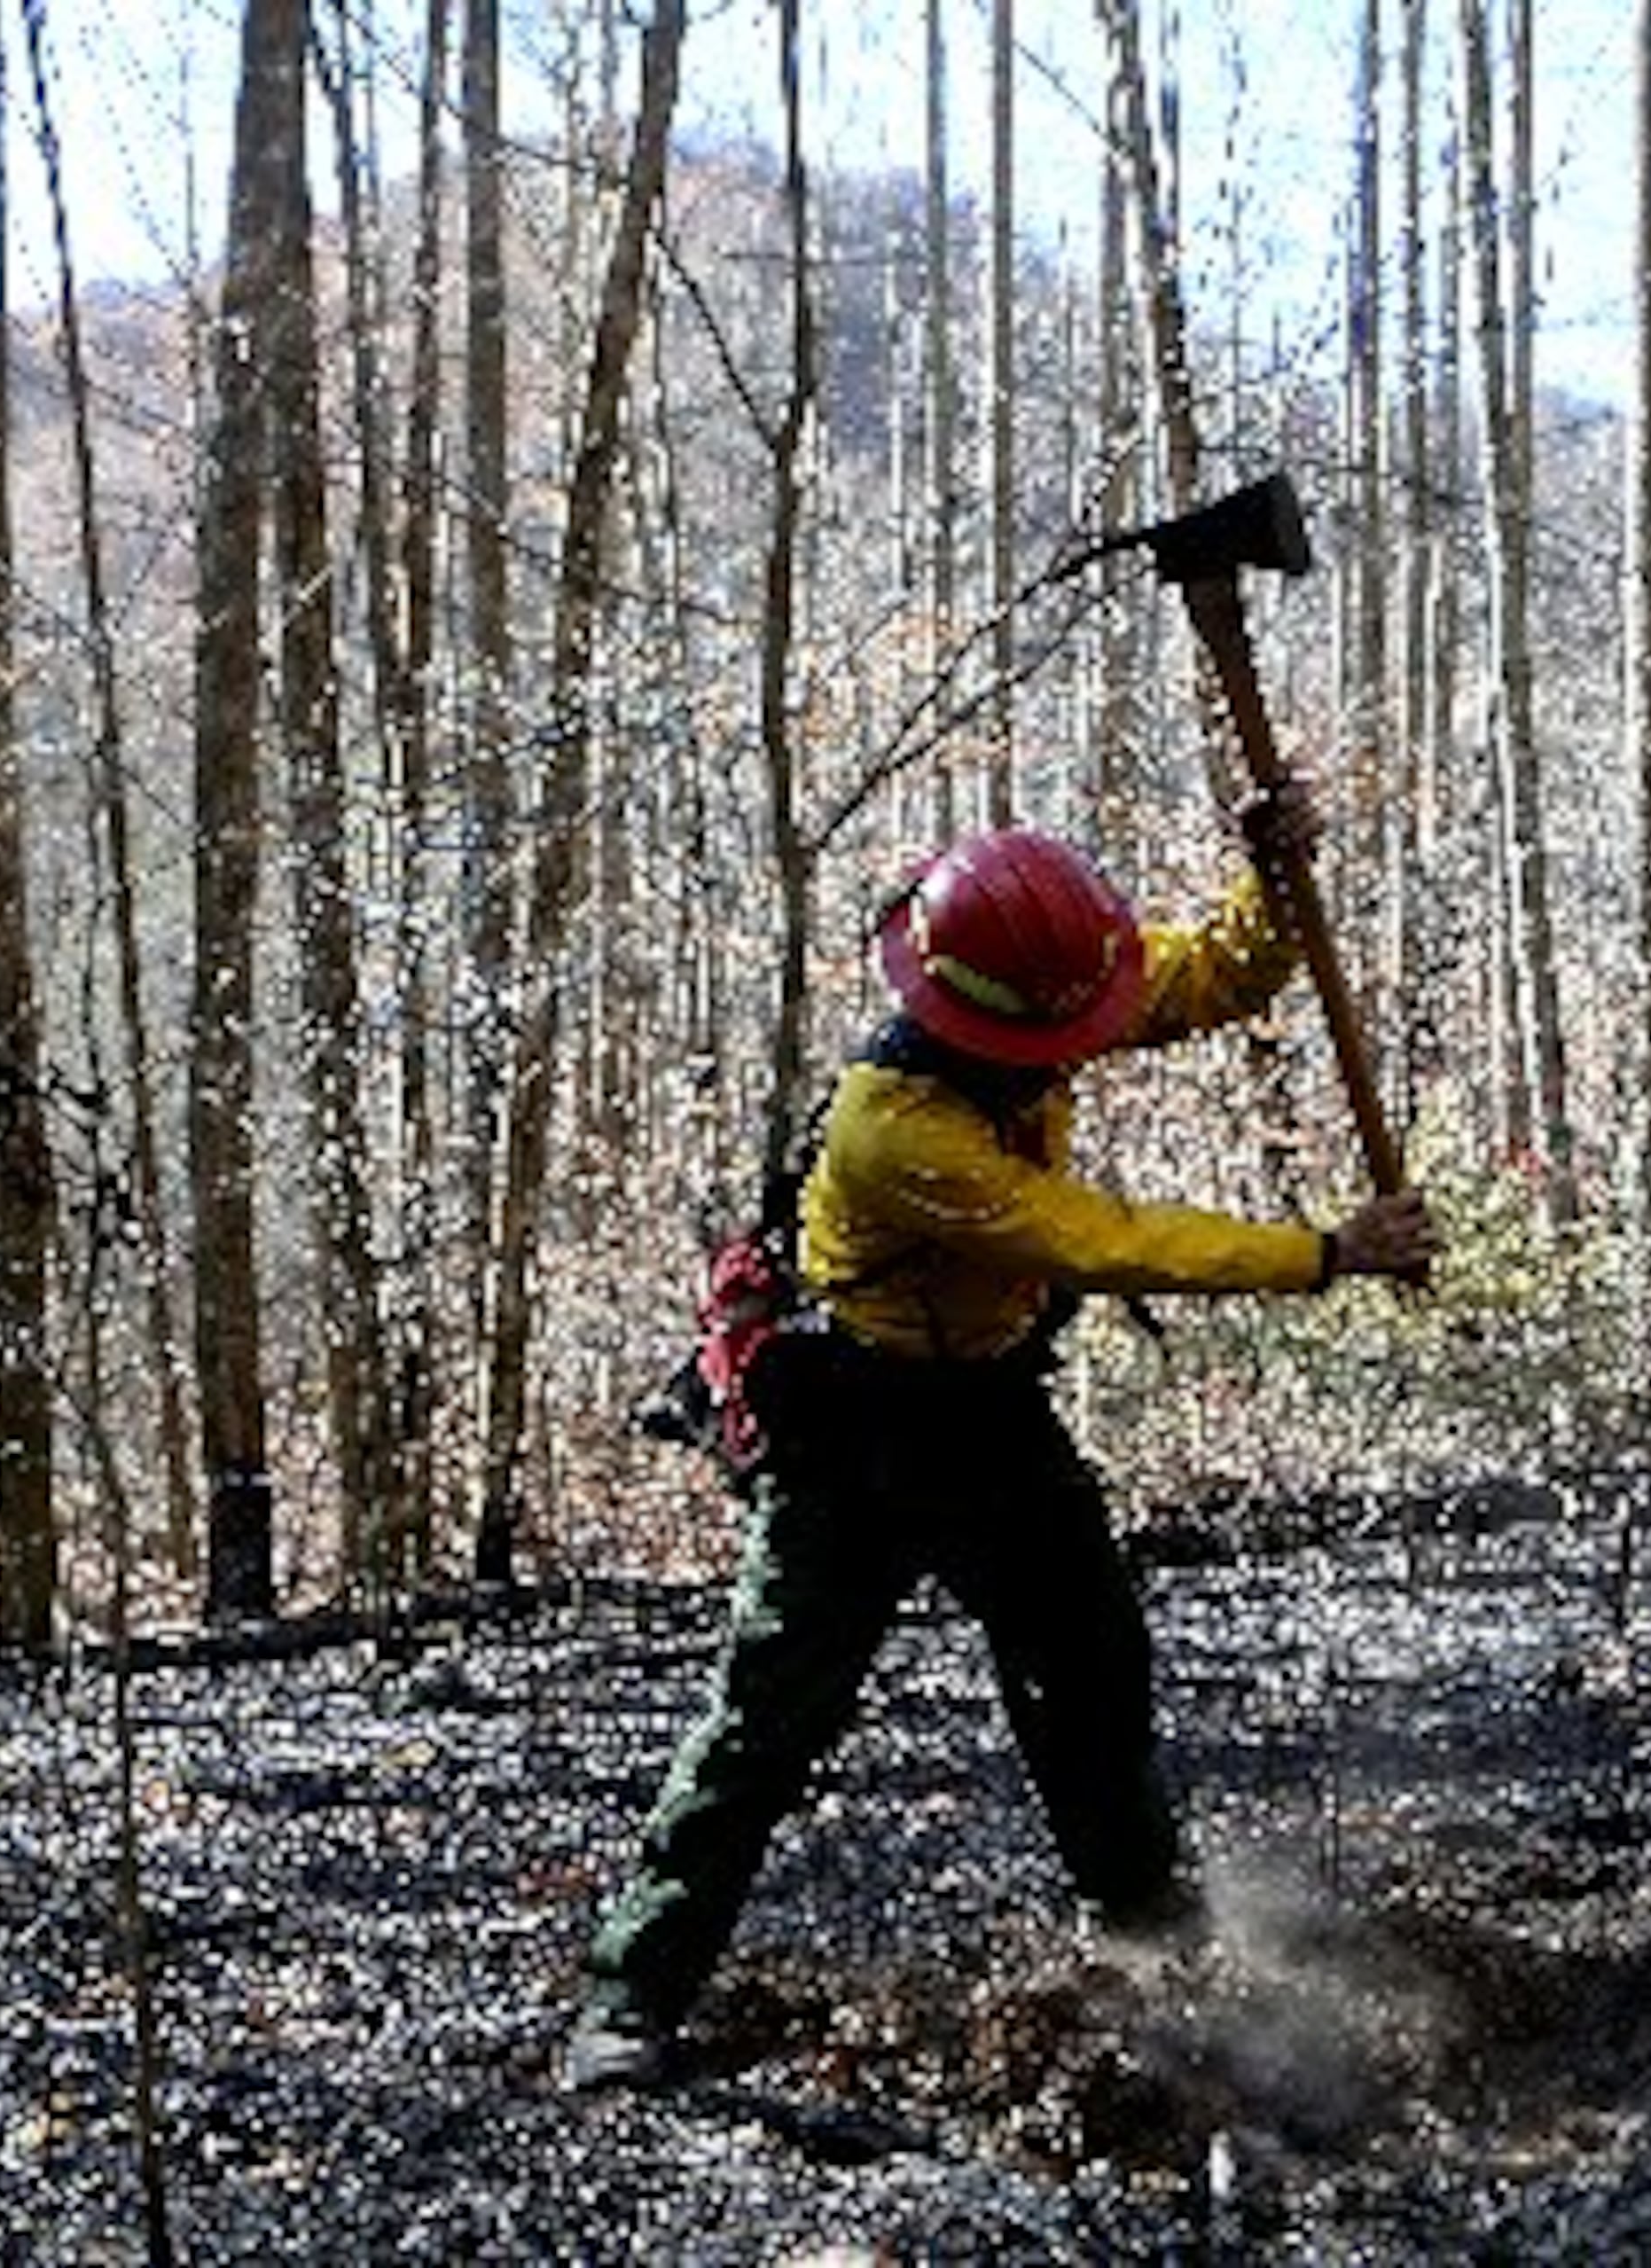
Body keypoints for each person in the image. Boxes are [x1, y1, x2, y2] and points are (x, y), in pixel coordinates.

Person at [562, 786, 1436, 2092]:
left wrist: (1272, 879)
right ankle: (629, 1996)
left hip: (991, 1417)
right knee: (768, 1721)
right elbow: (1098, 1237)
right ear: (990, 1010)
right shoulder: (895, 1131)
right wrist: (1324, 1253)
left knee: (1091, 1671)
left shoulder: (1037, 995)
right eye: (1072, 1029)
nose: (1090, 1042)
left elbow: (1214, 978)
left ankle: (1155, 1953)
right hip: (851, 1442)